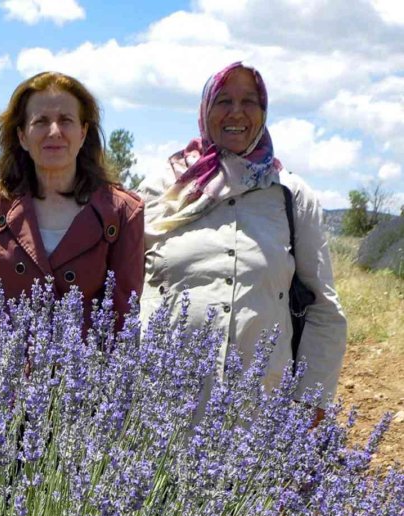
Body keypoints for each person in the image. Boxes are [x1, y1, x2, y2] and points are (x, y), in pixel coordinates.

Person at [138, 62, 346, 421]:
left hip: (257, 413)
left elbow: (324, 311)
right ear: (205, 110)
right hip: (162, 411)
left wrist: (310, 402)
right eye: (223, 100)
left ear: (263, 111)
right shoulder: (163, 190)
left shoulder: (290, 195)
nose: (237, 112)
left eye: (250, 101)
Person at [0, 71, 144, 329]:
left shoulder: (122, 211)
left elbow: (124, 318)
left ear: (83, 133)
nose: (54, 132)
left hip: (85, 367)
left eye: (66, 120)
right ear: (22, 136)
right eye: (41, 121)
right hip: (5, 365)